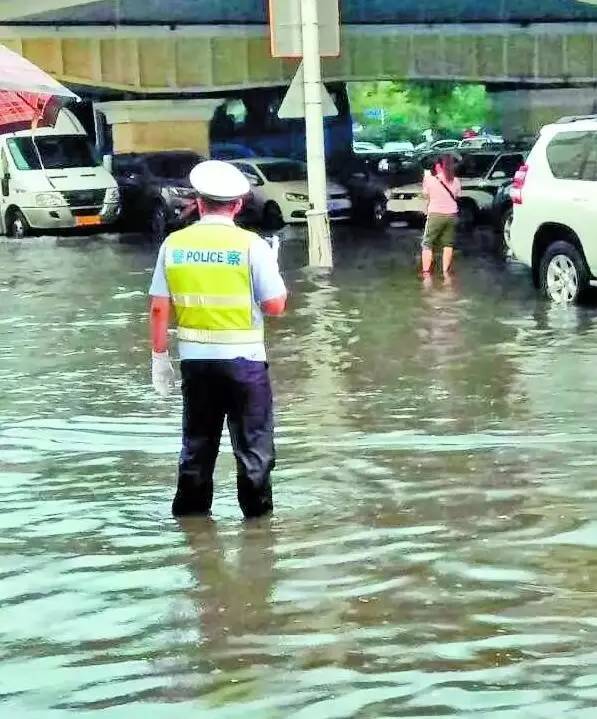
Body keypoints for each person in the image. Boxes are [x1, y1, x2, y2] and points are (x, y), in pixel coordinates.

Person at [148, 160, 287, 519]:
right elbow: (275, 307)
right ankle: (258, 532)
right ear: (238, 204)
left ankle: (192, 531)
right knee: (254, 451)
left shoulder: (174, 244)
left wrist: (159, 359)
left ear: (197, 200)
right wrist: (272, 266)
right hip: (246, 365)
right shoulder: (252, 246)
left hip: (196, 365)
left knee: (197, 447)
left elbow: (159, 310)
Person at [421, 154, 462, 279]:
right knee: (448, 244)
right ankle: (445, 273)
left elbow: (426, 196)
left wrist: (426, 176)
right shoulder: (456, 181)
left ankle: (426, 273)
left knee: (427, 244)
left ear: (439, 166)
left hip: (435, 215)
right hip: (451, 215)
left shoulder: (430, 179)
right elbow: (457, 197)